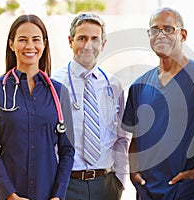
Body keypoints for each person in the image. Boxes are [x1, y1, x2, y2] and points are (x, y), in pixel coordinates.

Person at [121, 7, 194, 200]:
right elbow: (136, 136)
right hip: (147, 190)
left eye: (168, 29)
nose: (161, 35)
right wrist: (134, 171)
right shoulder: (139, 85)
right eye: (155, 30)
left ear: (183, 34)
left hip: (187, 190)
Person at [0, 14, 75, 200]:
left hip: (48, 194)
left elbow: (67, 151)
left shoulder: (59, 92)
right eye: (22, 39)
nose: (29, 46)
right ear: (11, 44)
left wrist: (58, 195)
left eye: (36, 39)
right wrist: (9, 194)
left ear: (44, 44)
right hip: (7, 195)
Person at [52, 12, 130, 200]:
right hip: (67, 184)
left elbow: (122, 137)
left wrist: (119, 180)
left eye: (95, 39)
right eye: (82, 38)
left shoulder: (114, 84)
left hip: (106, 185)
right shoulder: (54, 83)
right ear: (70, 41)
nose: (88, 45)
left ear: (103, 44)